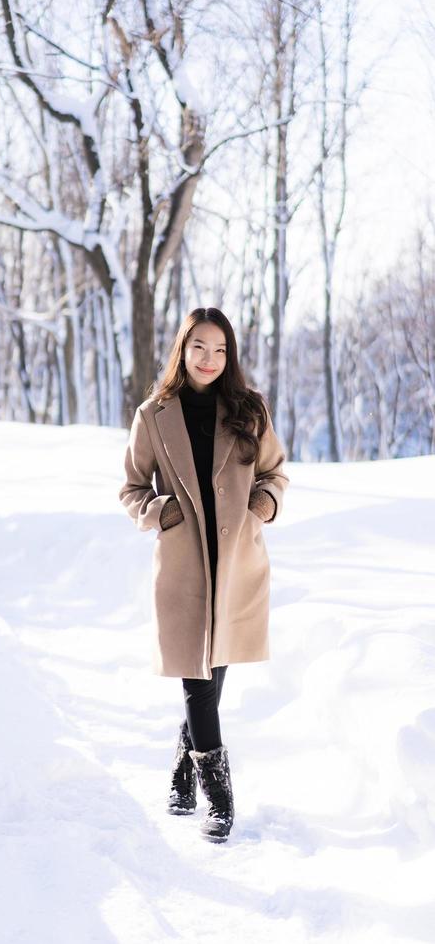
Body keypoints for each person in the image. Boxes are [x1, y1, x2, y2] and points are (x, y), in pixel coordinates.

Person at [118, 307, 289, 842]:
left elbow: (275, 473)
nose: (210, 359)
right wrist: (162, 512)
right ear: (182, 349)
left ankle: (181, 773)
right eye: (199, 348)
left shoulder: (249, 409)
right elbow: (130, 489)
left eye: (219, 349)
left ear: (228, 354)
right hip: (184, 569)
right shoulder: (153, 414)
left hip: (237, 564)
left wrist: (261, 506)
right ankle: (220, 797)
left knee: (211, 679)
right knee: (197, 679)